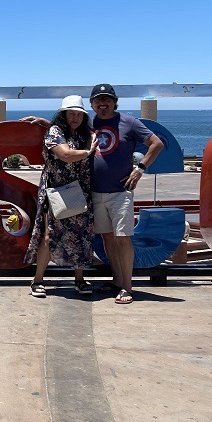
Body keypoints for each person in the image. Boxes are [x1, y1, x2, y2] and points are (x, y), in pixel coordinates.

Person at [88, 83, 164, 304]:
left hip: (120, 192)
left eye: (107, 99)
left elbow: (156, 143)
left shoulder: (128, 122)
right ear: (92, 103)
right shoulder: (88, 123)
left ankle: (128, 287)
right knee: (108, 238)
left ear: (114, 102)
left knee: (123, 239)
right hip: (95, 191)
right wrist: (44, 122)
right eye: (98, 100)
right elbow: (65, 130)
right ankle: (117, 280)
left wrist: (140, 169)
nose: (103, 104)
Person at [20, 94, 99, 298]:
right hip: (56, 190)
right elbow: (65, 154)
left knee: (80, 235)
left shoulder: (81, 133)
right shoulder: (56, 132)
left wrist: (44, 123)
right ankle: (37, 280)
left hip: (79, 191)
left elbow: (71, 141)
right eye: (70, 114)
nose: (75, 118)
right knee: (49, 234)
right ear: (63, 115)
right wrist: (88, 152)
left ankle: (79, 279)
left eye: (78, 114)